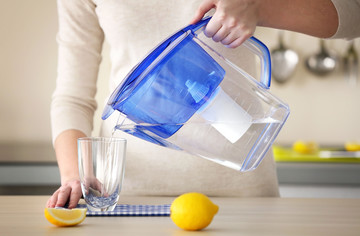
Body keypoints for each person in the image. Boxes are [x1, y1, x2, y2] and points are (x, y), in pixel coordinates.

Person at [47, 0, 360, 209]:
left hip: (244, 195)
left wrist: (259, 6)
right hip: (129, 197)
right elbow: (72, 96)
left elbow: (353, 16)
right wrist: (75, 177)